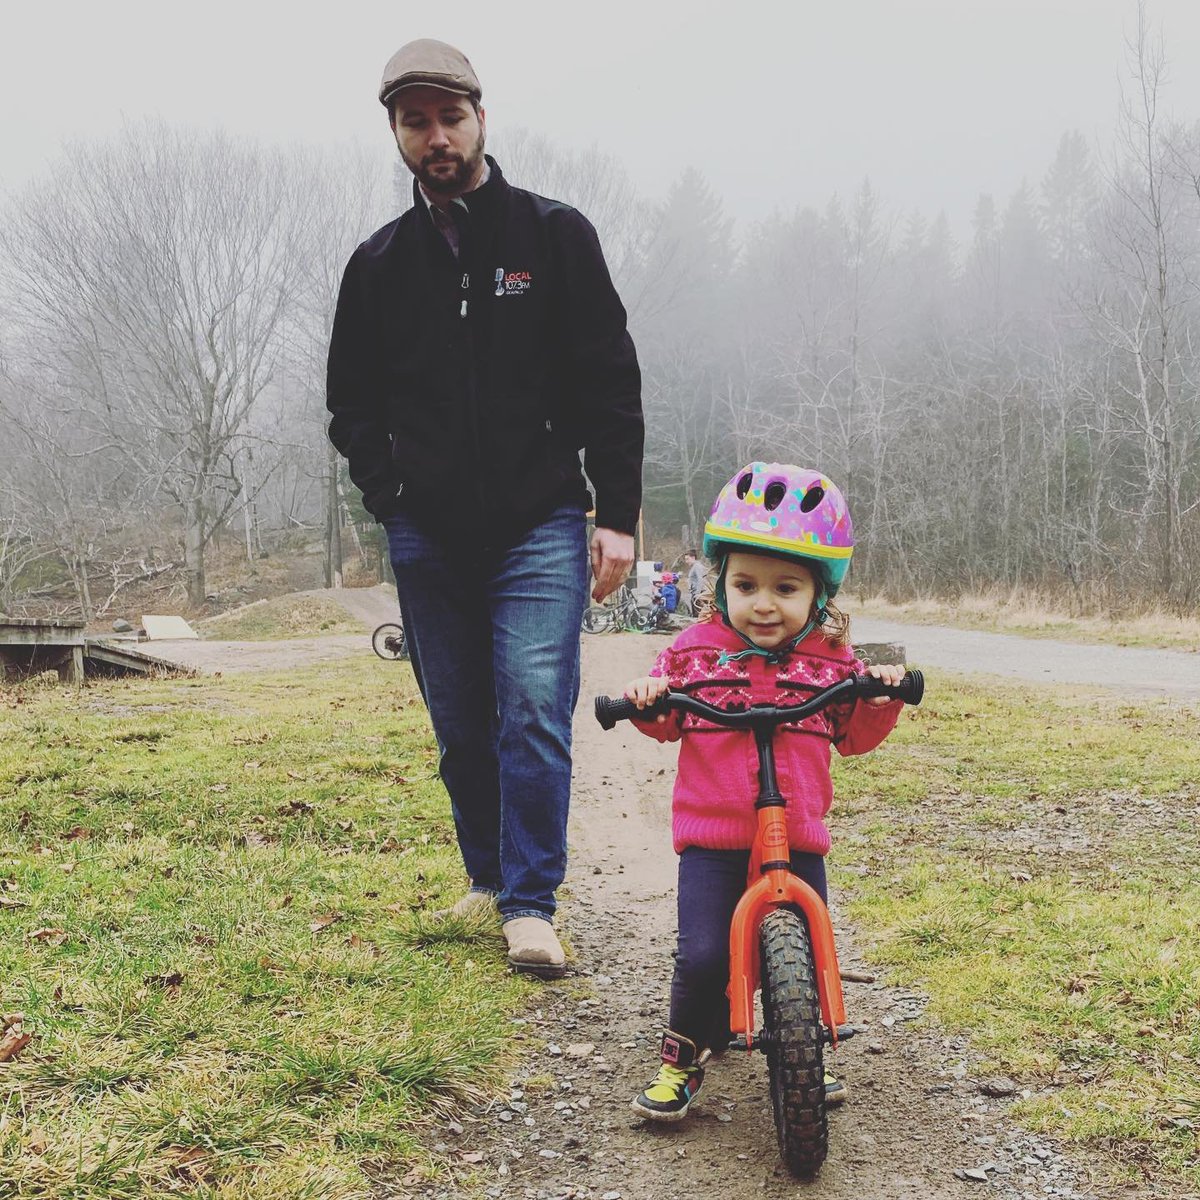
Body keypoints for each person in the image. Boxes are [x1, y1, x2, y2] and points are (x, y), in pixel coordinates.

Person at [326, 39, 643, 979]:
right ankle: (487, 873)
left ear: (481, 119)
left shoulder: (553, 237)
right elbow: (352, 406)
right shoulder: (377, 265)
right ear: (395, 133)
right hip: (428, 534)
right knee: (460, 722)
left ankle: (531, 904)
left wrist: (615, 514)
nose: (436, 137)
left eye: (449, 117)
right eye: (414, 121)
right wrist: (391, 496)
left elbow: (610, 384)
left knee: (532, 713)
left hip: (539, 522)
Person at [618, 462, 908, 1119]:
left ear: (818, 594)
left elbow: (854, 732)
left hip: (797, 833)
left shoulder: (831, 661)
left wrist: (881, 694)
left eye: (786, 587)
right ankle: (684, 1057)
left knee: (806, 945)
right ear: (720, 581)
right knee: (702, 956)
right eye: (746, 584)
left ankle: (808, 1053)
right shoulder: (695, 653)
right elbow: (663, 721)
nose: (764, 603)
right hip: (714, 839)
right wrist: (647, 697)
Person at [683, 550, 707, 616]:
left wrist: (697, 594)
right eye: (685, 559)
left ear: (693, 558)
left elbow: (701, 579)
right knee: (695, 614)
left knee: (698, 615)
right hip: (695, 594)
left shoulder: (697, 566)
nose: (686, 561)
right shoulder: (694, 567)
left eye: (687, 559)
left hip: (698, 594)